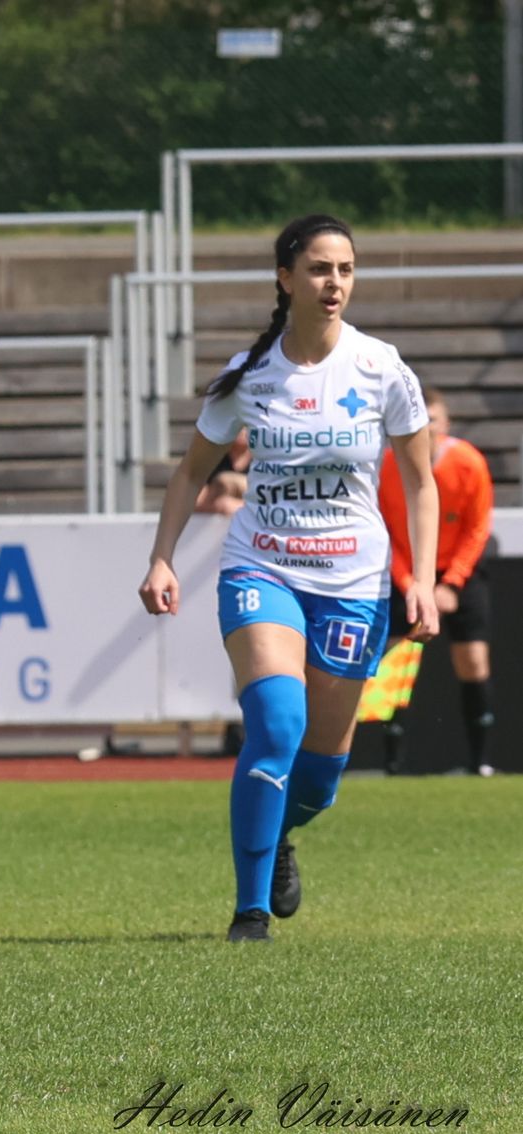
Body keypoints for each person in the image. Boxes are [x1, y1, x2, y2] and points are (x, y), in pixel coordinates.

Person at [138, 213, 440, 944]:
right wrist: (161, 557)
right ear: (285, 278)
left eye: (344, 269)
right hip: (262, 567)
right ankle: (248, 915)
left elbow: (420, 481)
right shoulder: (248, 376)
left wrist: (422, 579)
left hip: (353, 582)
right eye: (318, 269)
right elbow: (188, 473)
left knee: (318, 780)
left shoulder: (381, 368)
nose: (333, 282)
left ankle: (280, 835)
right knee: (276, 724)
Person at [373, 386, 495, 775]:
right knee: (396, 664)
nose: (425, 428)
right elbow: (384, 532)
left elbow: (477, 529)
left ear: (446, 424)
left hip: (457, 574)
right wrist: (410, 582)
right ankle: (391, 763)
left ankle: (480, 763)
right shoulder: (387, 467)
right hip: (407, 574)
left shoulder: (469, 464)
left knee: (473, 661)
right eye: (418, 420)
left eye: (433, 420)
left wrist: (451, 583)